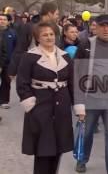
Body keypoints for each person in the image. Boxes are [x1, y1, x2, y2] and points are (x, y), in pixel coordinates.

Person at [16, 22, 74, 174]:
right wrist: (30, 103)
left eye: (51, 34)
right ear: (37, 38)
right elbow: (22, 83)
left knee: (58, 149)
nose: (49, 37)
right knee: (43, 150)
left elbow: (73, 83)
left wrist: (78, 106)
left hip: (62, 109)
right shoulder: (29, 57)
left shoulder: (65, 57)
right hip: (40, 108)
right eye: (44, 35)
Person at [73, 14, 108, 173]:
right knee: (86, 133)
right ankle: (82, 159)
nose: (105, 29)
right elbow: (77, 74)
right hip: (90, 99)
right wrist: (79, 102)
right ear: (96, 26)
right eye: (102, 25)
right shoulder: (86, 45)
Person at [8, 2, 60, 78]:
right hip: (33, 68)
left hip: (52, 69)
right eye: (56, 14)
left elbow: (59, 48)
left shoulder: (56, 28)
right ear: (49, 13)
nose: (57, 17)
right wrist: (13, 70)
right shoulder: (29, 27)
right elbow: (20, 48)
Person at [0, 14, 17, 110]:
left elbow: (16, 47)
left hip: (8, 62)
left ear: (8, 21)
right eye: (0, 19)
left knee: (6, 82)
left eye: (4, 19)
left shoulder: (12, 33)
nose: (1, 21)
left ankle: (4, 101)